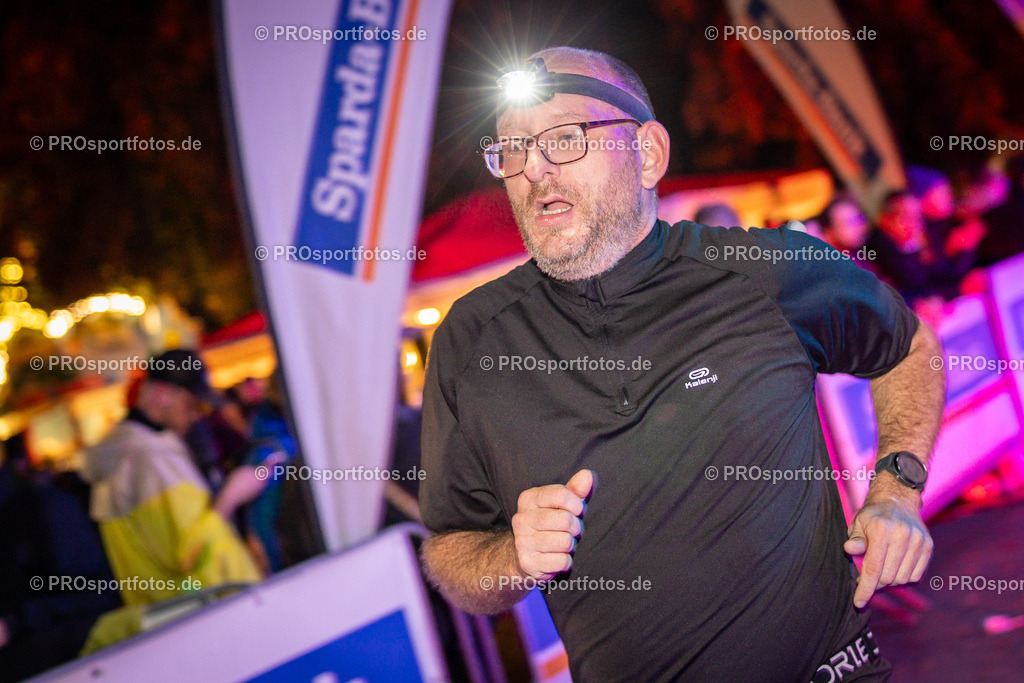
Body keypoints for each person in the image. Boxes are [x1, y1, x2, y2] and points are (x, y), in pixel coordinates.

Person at [419, 47, 945, 681]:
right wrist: (514, 557)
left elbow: (909, 347)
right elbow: (451, 554)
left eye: (563, 139)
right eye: (511, 149)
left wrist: (896, 487)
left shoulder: (765, 272)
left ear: (647, 154)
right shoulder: (470, 343)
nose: (533, 169)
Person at [82, 349, 261, 608]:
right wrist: (232, 495)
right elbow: (190, 553)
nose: (197, 414)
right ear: (162, 395)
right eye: (192, 403)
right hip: (208, 613)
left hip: (182, 617)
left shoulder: (128, 451)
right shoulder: (147, 458)